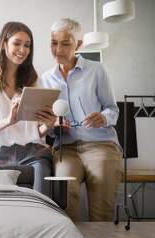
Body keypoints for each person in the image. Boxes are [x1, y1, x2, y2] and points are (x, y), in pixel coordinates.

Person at [41, 18, 123, 221]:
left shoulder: (97, 70)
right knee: (64, 203)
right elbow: (47, 126)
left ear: (79, 45)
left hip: (101, 145)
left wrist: (102, 118)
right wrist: (54, 125)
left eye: (65, 43)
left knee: (101, 213)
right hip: (66, 149)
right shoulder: (44, 79)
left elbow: (113, 110)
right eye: (53, 42)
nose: (58, 49)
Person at [0, 22, 57, 196]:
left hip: (33, 152)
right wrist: (8, 121)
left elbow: (36, 131)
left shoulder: (33, 81)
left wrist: (48, 125)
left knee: (42, 194)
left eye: (27, 45)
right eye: (17, 43)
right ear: (3, 44)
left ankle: (40, 220)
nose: (22, 49)